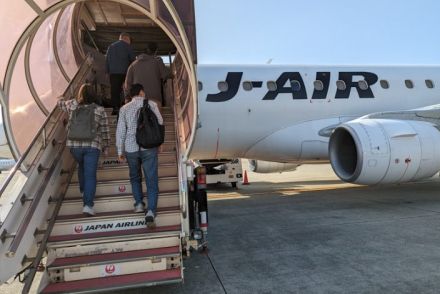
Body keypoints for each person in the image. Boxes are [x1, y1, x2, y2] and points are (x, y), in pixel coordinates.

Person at [58, 84, 110, 216]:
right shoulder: (99, 109)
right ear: (94, 94)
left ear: (80, 93)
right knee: (90, 174)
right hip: (92, 146)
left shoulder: (72, 104)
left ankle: (83, 190)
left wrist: (60, 97)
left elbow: (60, 104)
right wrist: (106, 146)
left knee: (82, 165)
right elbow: (104, 129)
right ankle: (87, 205)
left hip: (74, 146)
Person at [116, 84, 163, 227]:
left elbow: (120, 131)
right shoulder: (152, 104)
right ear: (142, 92)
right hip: (149, 146)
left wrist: (120, 151)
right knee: (151, 179)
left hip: (131, 149)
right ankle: (150, 211)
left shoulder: (124, 109)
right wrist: (160, 142)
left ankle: (138, 204)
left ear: (131, 95)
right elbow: (160, 123)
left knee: (135, 177)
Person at [124, 42, 171, 107]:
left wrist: (128, 98)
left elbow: (127, 84)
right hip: (155, 100)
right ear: (156, 51)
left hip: (138, 100)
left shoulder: (133, 65)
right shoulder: (157, 62)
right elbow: (166, 75)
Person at [106, 32, 136, 114]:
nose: (130, 42)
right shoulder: (127, 46)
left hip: (113, 73)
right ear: (126, 38)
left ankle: (115, 109)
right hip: (125, 72)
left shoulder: (111, 46)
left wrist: (107, 72)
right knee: (127, 89)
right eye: (130, 40)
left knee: (114, 91)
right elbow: (133, 60)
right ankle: (128, 107)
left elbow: (107, 60)